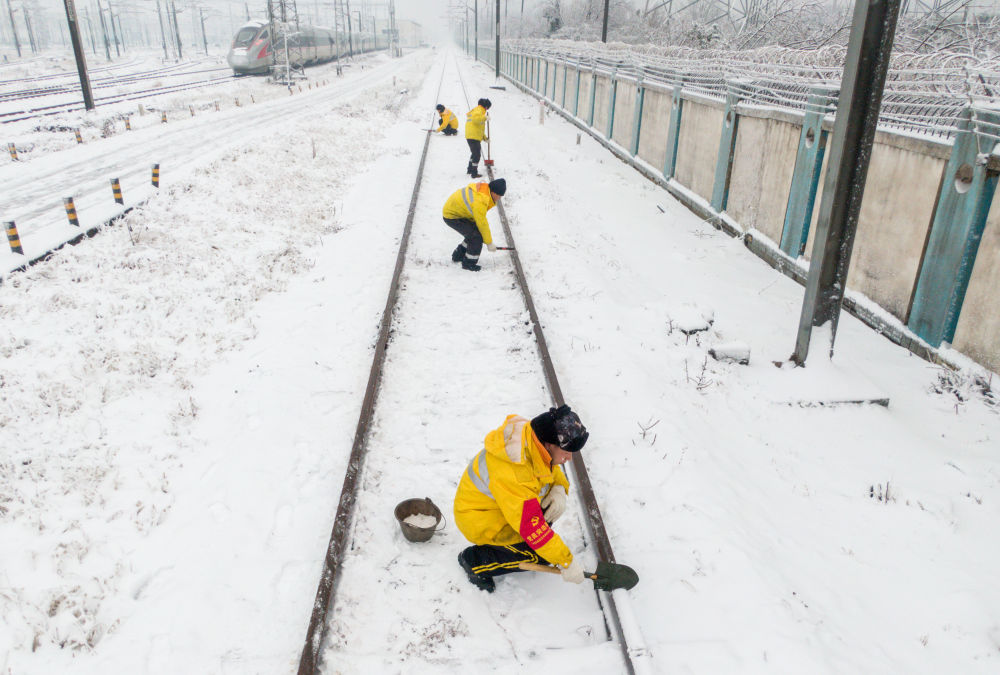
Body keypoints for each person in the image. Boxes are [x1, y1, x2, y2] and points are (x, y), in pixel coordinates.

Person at [454, 405, 590, 593]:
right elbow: (531, 527)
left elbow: (546, 466)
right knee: (537, 556)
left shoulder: (532, 436)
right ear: (549, 444)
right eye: (566, 451)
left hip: (502, 508)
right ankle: (474, 562)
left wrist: (559, 487)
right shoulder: (515, 472)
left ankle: (525, 546)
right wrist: (566, 561)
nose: (570, 457)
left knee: (542, 535)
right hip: (481, 520)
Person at [442, 177, 506, 271]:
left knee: (474, 232)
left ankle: (458, 256)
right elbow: (482, 223)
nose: (499, 198)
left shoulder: (484, 191)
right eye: (499, 195)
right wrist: (489, 243)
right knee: (476, 237)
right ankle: (469, 263)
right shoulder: (481, 200)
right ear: (494, 192)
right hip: (452, 216)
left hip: (458, 212)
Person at [464, 98, 491, 178]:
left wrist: (485, 138)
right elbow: (476, 120)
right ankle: (474, 173)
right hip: (473, 136)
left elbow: (479, 128)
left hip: (471, 135)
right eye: (488, 108)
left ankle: (470, 169)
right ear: (486, 106)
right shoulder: (479, 110)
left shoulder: (478, 111)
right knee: (477, 155)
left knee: (474, 153)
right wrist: (485, 118)